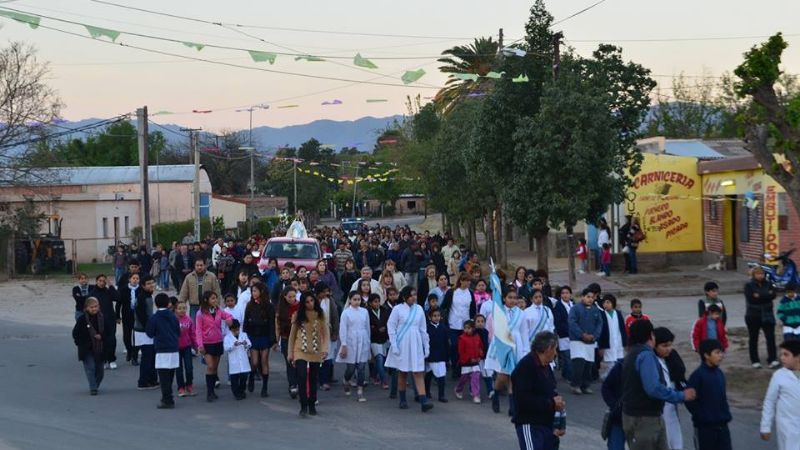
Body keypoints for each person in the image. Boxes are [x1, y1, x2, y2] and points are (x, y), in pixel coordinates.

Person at [621, 319, 696, 450]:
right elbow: (654, 388)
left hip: (634, 415)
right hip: (645, 418)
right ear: (651, 335)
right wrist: (680, 396)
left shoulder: (631, 354)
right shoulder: (646, 356)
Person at [511, 331, 566, 450]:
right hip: (530, 424)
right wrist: (551, 403)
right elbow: (523, 400)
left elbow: (551, 391)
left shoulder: (546, 367)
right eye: (555, 349)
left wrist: (559, 421)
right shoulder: (526, 367)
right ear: (548, 349)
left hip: (546, 425)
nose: (556, 353)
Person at [385, 286, 434, 412]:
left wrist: (426, 346)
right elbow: (391, 327)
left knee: (418, 371)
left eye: (415, 295)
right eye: (411, 295)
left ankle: (423, 401)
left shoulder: (419, 309)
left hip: (416, 343)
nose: (414, 297)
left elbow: (423, 329)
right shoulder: (397, 309)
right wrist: (394, 345)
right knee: (403, 372)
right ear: (405, 297)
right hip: (402, 343)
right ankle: (402, 399)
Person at [486, 288, 530, 415]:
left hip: (516, 345)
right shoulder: (498, 312)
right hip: (502, 345)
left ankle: (512, 406)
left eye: (515, 298)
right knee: (502, 376)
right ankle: (496, 394)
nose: (512, 300)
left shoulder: (521, 313)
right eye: (510, 297)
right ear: (504, 298)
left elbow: (524, 332)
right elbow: (494, 329)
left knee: (513, 376)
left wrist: (525, 350)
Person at [287, 292, 329, 417]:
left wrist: (325, 350)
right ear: (303, 303)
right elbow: (292, 336)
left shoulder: (320, 314)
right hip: (300, 350)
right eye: (307, 302)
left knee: (313, 378)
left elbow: (325, 334)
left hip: (316, 350)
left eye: (312, 300)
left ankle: (312, 403)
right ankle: (303, 404)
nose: (310, 304)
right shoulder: (298, 315)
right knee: (301, 375)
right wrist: (290, 353)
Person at [685, 339, 732, 450]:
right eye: (717, 352)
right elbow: (689, 400)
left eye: (721, 352)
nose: (721, 356)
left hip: (722, 427)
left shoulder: (719, 374)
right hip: (705, 429)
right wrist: (702, 416)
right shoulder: (697, 376)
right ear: (706, 355)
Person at [760, 340, 800, 450]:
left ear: (798, 357)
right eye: (781, 354)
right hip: (787, 427)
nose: (782, 358)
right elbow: (770, 401)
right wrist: (765, 427)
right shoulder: (779, 376)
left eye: (786, 355)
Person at [195, 291, 233, 402]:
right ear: (206, 300)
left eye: (216, 298)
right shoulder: (200, 313)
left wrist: (229, 319)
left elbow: (228, 315)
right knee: (210, 366)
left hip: (218, 341)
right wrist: (200, 345)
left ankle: (212, 391)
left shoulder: (218, 310)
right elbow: (198, 330)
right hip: (207, 343)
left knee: (215, 368)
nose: (215, 300)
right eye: (212, 298)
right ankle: (209, 392)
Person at [654, 327, 687, 450]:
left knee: (676, 442)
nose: (668, 349)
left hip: (672, 407)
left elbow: (680, 377)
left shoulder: (672, 357)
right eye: (664, 346)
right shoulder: (651, 360)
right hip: (658, 409)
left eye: (670, 345)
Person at [72, 297, 114, 395]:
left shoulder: (103, 318)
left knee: (100, 372)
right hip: (87, 349)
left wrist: (101, 336)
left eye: (96, 306)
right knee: (90, 367)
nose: (94, 309)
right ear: (86, 308)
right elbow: (75, 333)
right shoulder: (82, 319)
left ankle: (95, 384)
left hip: (100, 348)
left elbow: (109, 332)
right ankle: (93, 388)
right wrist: (81, 343)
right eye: (92, 307)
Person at [146, 293, 180, 409]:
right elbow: (178, 331)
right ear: (168, 303)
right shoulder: (173, 316)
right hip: (174, 347)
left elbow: (150, 333)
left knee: (163, 375)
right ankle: (168, 396)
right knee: (170, 374)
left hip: (162, 349)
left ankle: (167, 399)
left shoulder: (154, 317)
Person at [441, 272, 476, 379]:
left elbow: (473, 308)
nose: (468, 283)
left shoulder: (470, 293)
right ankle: (455, 367)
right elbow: (444, 306)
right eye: (466, 281)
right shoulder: (452, 292)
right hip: (453, 323)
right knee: (454, 345)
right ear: (461, 281)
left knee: (465, 347)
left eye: (469, 281)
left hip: (466, 325)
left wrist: (472, 321)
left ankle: (463, 368)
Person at [243, 282, 276, 398]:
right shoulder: (249, 305)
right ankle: (251, 376)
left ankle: (264, 387)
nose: (253, 293)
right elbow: (246, 322)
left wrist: (273, 339)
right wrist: (245, 336)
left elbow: (272, 323)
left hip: (265, 336)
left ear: (261, 291)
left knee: (264, 361)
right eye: (252, 291)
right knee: (254, 362)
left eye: (255, 291)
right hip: (253, 336)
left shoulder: (269, 306)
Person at [337, 291, 371, 402]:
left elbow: (367, 327)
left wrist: (368, 342)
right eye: (354, 300)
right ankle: (346, 379)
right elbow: (343, 329)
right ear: (350, 300)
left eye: (359, 300)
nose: (357, 302)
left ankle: (360, 390)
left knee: (361, 367)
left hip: (362, 339)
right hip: (351, 340)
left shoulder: (364, 312)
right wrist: (344, 344)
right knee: (351, 367)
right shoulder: (346, 313)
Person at [568, 288, 603, 395]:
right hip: (577, 341)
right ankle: (575, 385)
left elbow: (599, 324)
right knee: (579, 363)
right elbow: (572, 323)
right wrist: (582, 335)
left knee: (588, 364)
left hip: (590, 341)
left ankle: (585, 385)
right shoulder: (575, 309)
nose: (590, 299)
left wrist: (594, 336)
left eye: (592, 297)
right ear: (583, 297)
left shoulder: (595, 310)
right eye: (588, 297)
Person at [745, 266, 779, 369]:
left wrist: (759, 295)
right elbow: (751, 299)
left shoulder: (769, 283)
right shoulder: (749, 285)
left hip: (768, 314)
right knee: (753, 338)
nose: (760, 276)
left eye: (762, 274)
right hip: (753, 315)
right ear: (754, 275)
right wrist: (766, 295)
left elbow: (773, 295)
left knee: (770, 337)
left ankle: (772, 359)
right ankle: (755, 360)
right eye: (758, 274)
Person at [134, 275, 158, 390]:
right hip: (143, 332)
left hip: (147, 330)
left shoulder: (149, 296)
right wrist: (149, 329)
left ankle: (152, 380)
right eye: (148, 284)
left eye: (152, 283)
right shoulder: (141, 297)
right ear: (143, 286)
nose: (151, 285)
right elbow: (141, 315)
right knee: (147, 357)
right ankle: (143, 382)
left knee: (151, 356)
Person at [90, 274, 118, 370]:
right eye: (100, 281)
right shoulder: (93, 293)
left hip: (110, 319)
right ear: (96, 281)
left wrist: (111, 286)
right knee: (101, 341)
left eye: (104, 281)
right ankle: (104, 359)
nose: (102, 283)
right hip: (98, 320)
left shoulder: (108, 291)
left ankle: (111, 359)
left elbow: (118, 297)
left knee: (112, 339)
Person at [276, 286, 300, 398]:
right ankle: (292, 385)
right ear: (285, 296)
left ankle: (300, 383)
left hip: (299, 339)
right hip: (286, 339)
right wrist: (276, 341)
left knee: (300, 362)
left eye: (294, 296)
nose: (292, 299)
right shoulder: (281, 308)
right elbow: (277, 326)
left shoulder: (300, 306)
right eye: (289, 297)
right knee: (290, 362)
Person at [317, 282, 340, 391]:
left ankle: (325, 380)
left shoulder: (330, 301)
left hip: (328, 333)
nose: (326, 294)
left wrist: (335, 333)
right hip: (315, 334)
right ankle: (318, 379)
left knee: (327, 358)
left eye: (327, 291)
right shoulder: (313, 301)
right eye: (324, 292)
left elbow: (335, 317)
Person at [454, 319, 484, 404]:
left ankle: (476, 395)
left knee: (475, 377)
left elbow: (480, 347)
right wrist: (468, 358)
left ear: (473, 328)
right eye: (465, 328)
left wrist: (480, 356)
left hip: (475, 362)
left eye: (469, 328)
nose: (466, 330)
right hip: (466, 362)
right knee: (464, 378)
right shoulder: (462, 338)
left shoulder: (477, 337)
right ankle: (458, 389)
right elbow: (461, 351)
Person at [599, 294, 627, 380]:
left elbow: (622, 328)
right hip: (608, 343)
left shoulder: (618, 314)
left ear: (613, 303)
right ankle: (607, 378)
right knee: (609, 363)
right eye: (604, 302)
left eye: (608, 302)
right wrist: (601, 346)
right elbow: (601, 331)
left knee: (619, 361)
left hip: (618, 341)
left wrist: (625, 342)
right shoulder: (602, 315)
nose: (606, 304)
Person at [424, 307, 449, 403]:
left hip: (441, 355)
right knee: (429, 374)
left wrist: (447, 356)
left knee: (441, 375)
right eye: (434, 316)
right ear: (430, 317)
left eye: (438, 315)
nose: (437, 317)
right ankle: (426, 391)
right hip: (430, 355)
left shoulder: (443, 328)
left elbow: (446, 342)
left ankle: (441, 395)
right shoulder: (427, 328)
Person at [224, 319, 252, 400]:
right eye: (235, 330)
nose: (237, 331)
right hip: (234, 361)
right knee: (234, 378)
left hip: (243, 359)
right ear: (231, 329)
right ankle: (236, 393)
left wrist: (246, 343)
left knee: (244, 376)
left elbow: (249, 344)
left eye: (238, 329)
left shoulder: (244, 335)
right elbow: (226, 348)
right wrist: (233, 345)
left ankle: (242, 390)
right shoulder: (227, 337)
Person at [117, 271, 140, 366]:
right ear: (129, 279)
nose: (135, 280)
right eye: (133, 278)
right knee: (126, 336)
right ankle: (129, 350)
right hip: (127, 315)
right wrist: (117, 316)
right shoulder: (124, 289)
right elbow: (119, 303)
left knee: (137, 337)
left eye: (137, 278)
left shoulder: (141, 290)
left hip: (138, 317)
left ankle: (135, 356)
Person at [601, 359, 625, 450]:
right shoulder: (621, 366)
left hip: (640, 419)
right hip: (619, 418)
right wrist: (614, 405)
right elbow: (606, 387)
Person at [175, 301, 197, 397]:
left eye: (184, 308)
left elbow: (192, 334)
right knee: (178, 369)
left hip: (187, 347)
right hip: (176, 348)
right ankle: (181, 387)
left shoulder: (189, 320)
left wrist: (195, 345)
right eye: (179, 308)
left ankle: (189, 385)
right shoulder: (173, 320)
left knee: (189, 368)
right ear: (176, 310)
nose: (182, 310)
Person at [553, 286, 574, 383]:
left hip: (575, 335)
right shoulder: (558, 306)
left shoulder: (573, 304)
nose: (565, 295)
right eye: (563, 293)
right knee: (567, 357)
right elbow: (558, 322)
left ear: (570, 294)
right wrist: (567, 330)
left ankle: (566, 374)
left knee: (572, 357)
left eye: (567, 293)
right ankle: (569, 377)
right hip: (564, 335)